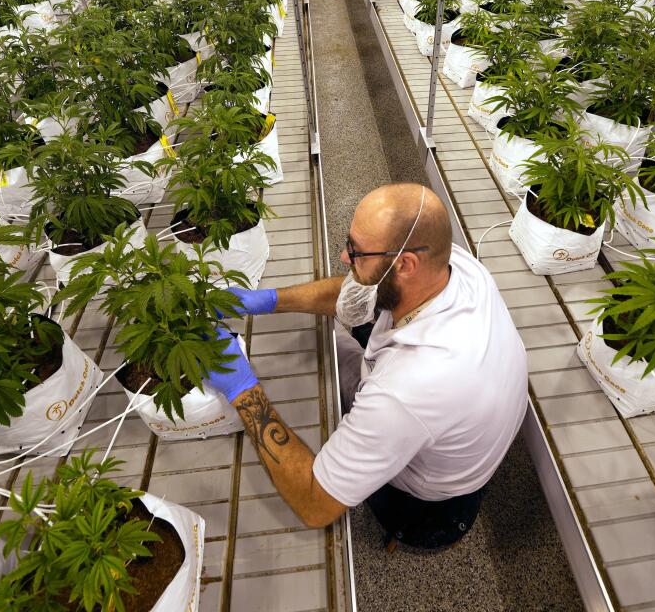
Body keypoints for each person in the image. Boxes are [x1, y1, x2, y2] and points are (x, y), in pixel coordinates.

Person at [206, 183, 528, 550]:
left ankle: (404, 535)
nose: (344, 257)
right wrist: (269, 301)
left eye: (356, 251)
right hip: (456, 421)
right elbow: (356, 290)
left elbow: (314, 505)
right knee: (337, 344)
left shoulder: (407, 391)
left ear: (405, 264)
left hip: (428, 504)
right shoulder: (453, 265)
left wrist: (243, 390)